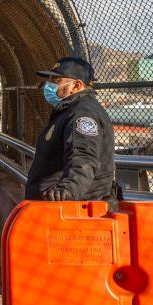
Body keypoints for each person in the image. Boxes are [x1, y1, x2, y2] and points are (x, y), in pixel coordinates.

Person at [26, 57, 116, 201]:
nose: (48, 86)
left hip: (70, 210)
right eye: (49, 80)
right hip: (50, 206)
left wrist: (65, 193)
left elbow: (83, 159)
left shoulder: (82, 114)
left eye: (56, 81)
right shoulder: (69, 111)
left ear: (77, 85)